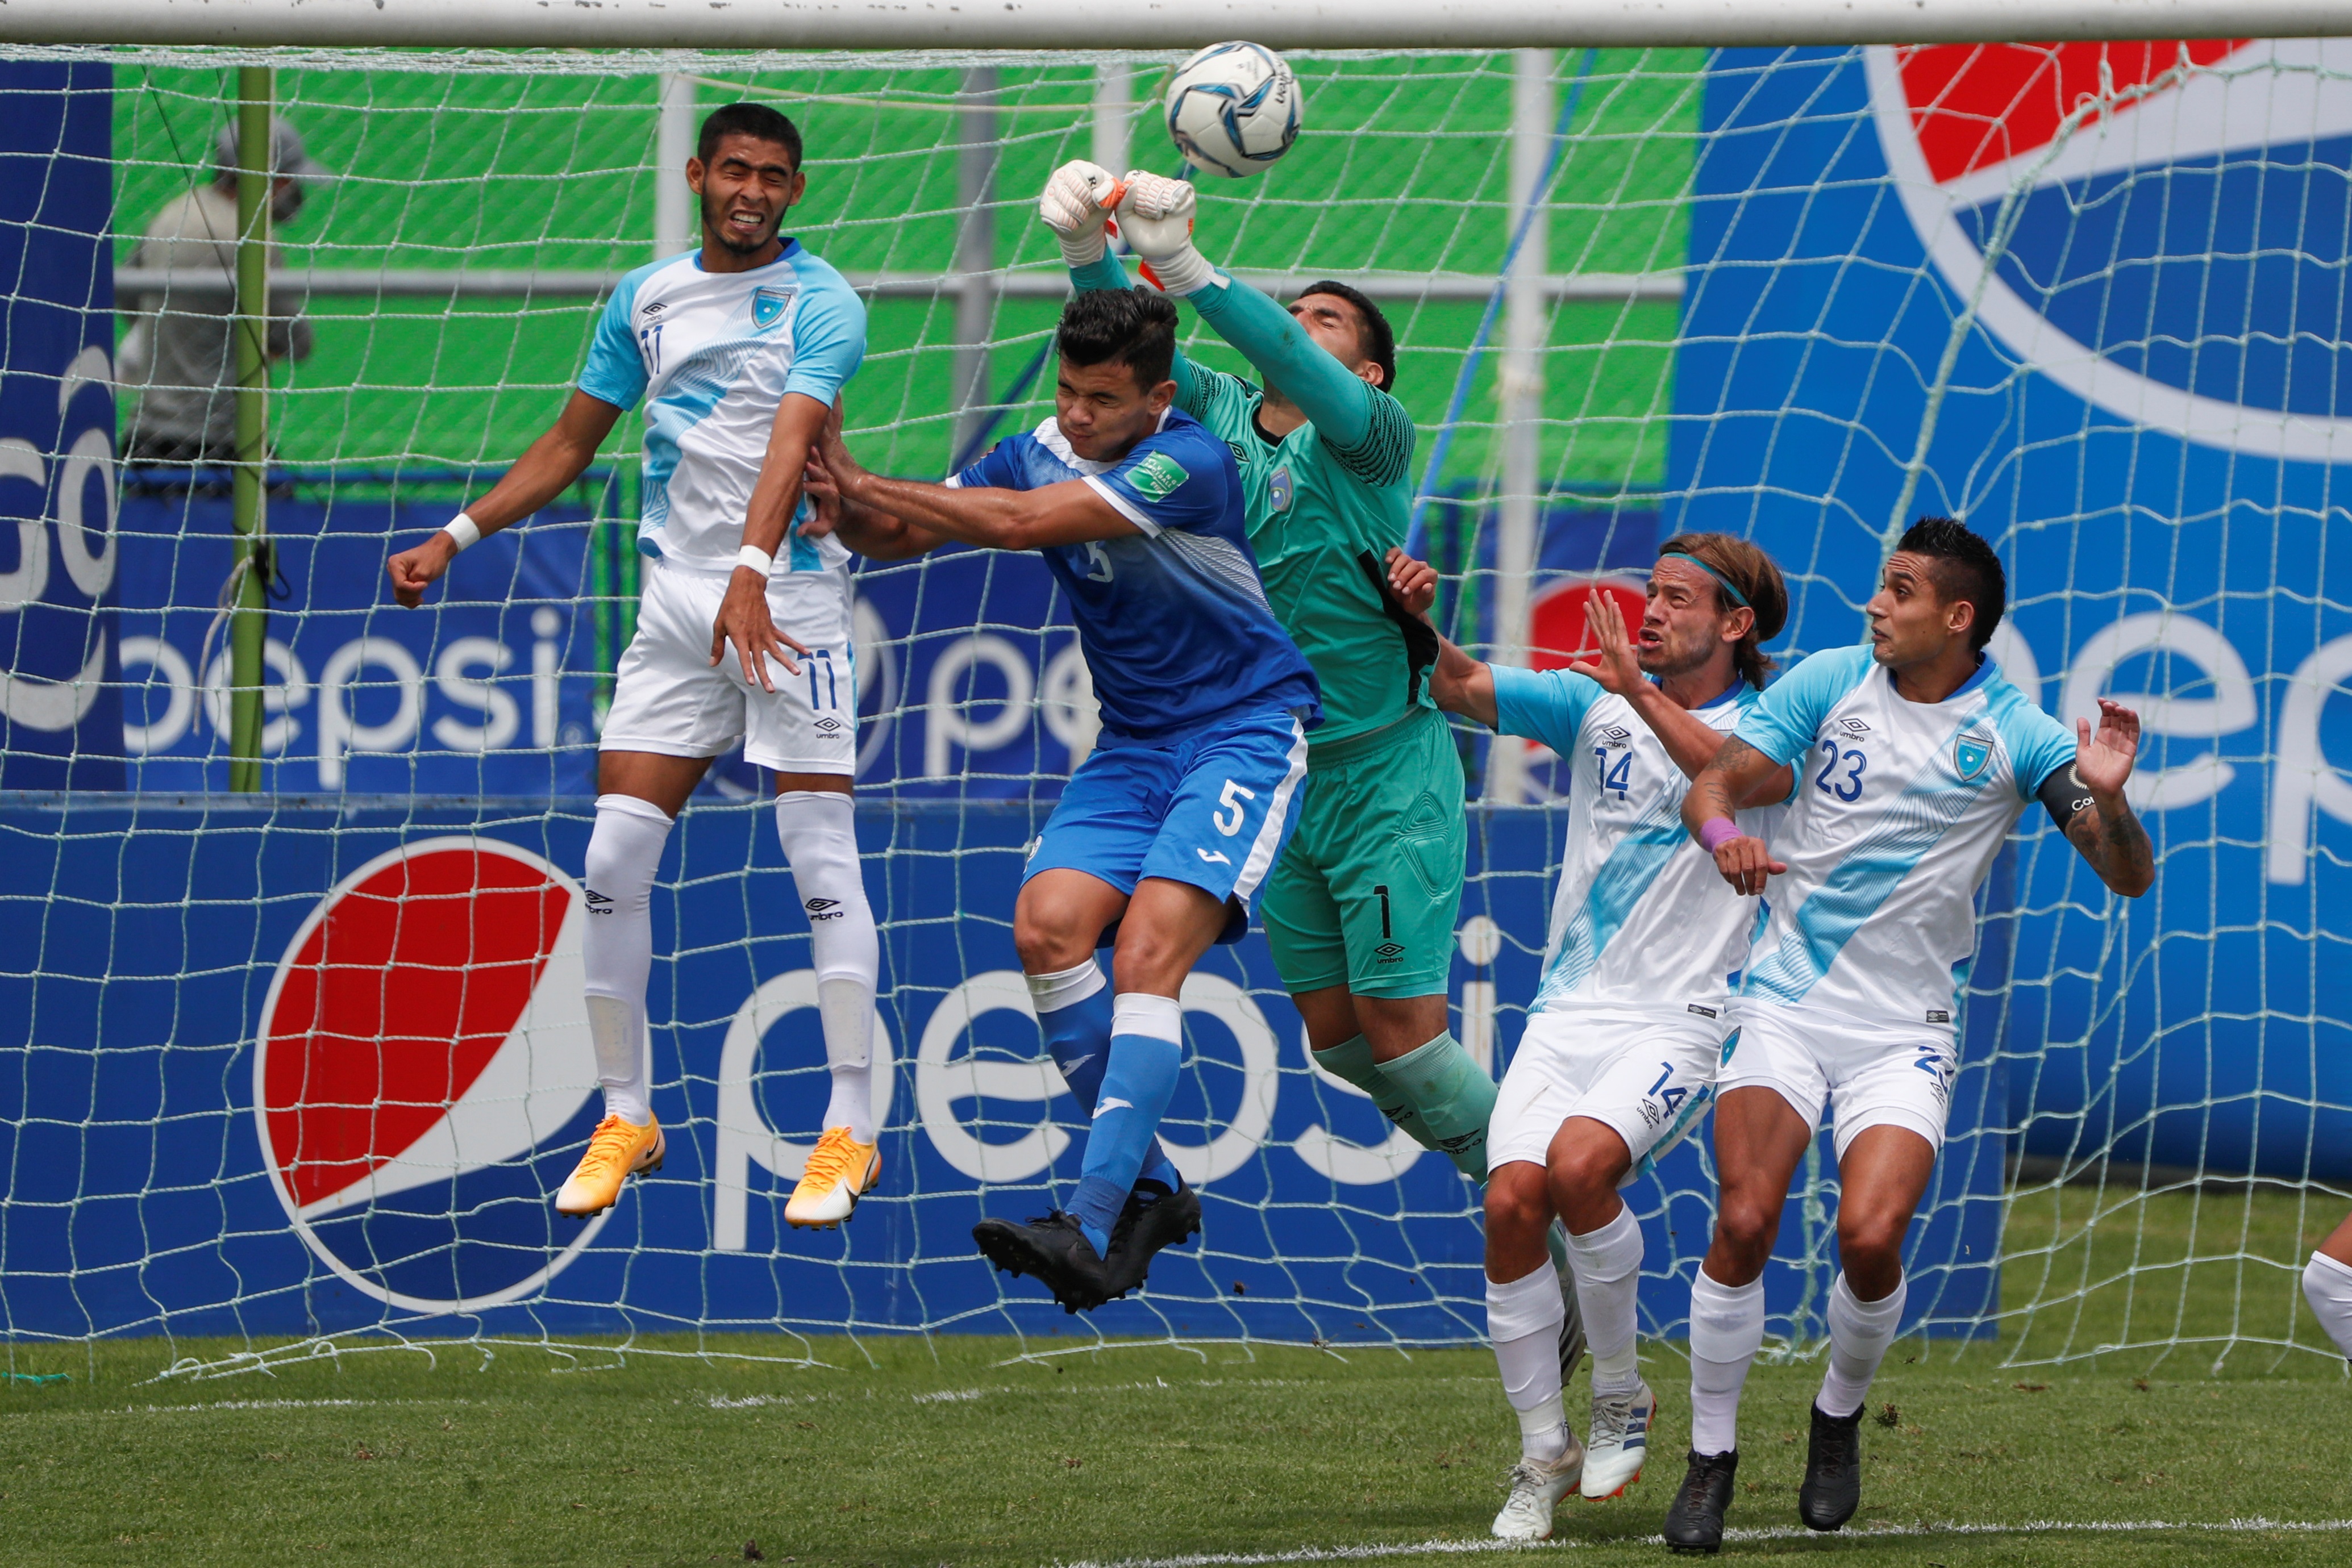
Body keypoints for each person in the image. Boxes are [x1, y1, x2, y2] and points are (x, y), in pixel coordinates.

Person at [1038, 163, 1589, 1365]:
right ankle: (1504, 1172)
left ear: (1364, 371)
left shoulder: (1371, 439)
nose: (1301, 328)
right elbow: (1115, 366)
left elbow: (1271, 349)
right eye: (1300, 311)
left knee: (1401, 1031)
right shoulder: (1215, 424)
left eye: (1325, 324)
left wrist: (1186, 263)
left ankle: (1554, 1224)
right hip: (1275, 770)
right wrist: (1087, 246)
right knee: (1340, 1047)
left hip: (1387, 769)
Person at [384, 103, 888, 1232]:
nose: (751, 191)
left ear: (794, 191)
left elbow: (792, 439)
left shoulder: (825, 301)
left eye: (773, 176)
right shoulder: (643, 298)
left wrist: (754, 568)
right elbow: (570, 443)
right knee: (610, 855)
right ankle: (627, 1115)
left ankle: (847, 1123)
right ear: (698, 174)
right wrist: (451, 538)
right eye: (734, 172)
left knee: (817, 858)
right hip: (674, 603)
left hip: (789, 601)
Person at [802, 285, 1323, 1312]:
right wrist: (828, 474)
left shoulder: (1190, 461)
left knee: (1141, 958)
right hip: (1132, 746)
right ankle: (1155, 1191)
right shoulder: (1036, 445)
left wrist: (869, 478)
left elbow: (1020, 523)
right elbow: (905, 533)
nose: (1076, 415)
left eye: (1100, 398)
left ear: (1157, 397)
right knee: (1045, 931)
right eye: (1067, 391)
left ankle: (1088, 1224)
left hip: (1243, 736)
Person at [1662, 517, 2154, 1551]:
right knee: (1744, 1220)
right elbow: (1712, 784)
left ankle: (1835, 1416)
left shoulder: (2015, 733)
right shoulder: (1828, 684)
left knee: (1868, 1238)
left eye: (1897, 590)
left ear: (1956, 617)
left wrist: (2109, 803)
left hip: (1904, 1028)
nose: (1874, 605)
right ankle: (1709, 1456)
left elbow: (2125, 874)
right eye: (1880, 588)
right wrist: (1721, 838)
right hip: (1783, 1001)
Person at [1395, 537, 1792, 1540]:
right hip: (1568, 1011)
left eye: (1674, 599)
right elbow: (1457, 680)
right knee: (1509, 1201)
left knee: (1579, 1170)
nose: (1647, 612)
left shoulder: (1772, 724)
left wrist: (1636, 692)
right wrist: (1402, 608)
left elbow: (1739, 781)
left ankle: (1618, 1390)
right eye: (1644, 594)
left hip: (1684, 1018)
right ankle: (1542, 1453)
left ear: (1734, 624)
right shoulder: (1593, 708)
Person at [120, 116, 324, 464]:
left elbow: (127, 297)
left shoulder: (173, 214)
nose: (293, 193)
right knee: (276, 509)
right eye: (287, 181)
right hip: (219, 442)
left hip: (145, 436)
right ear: (267, 179)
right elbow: (295, 342)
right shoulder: (253, 238)